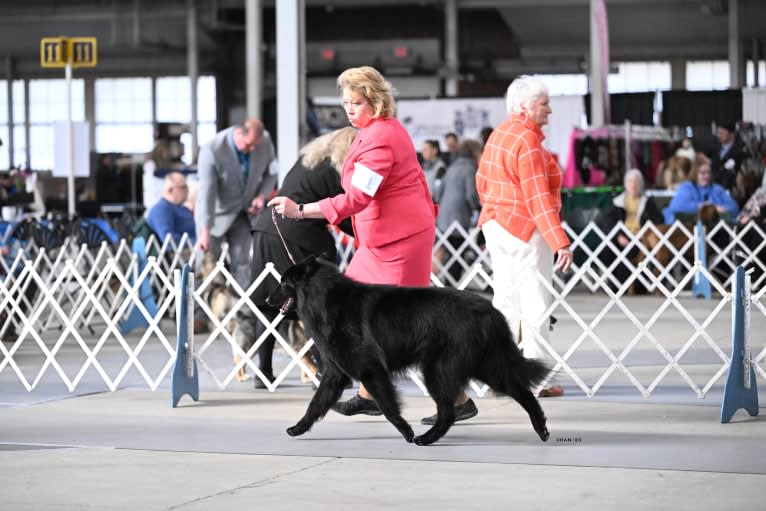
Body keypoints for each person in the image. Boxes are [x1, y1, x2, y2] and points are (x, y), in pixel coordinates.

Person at [269, 65, 479, 422]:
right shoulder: (373, 132)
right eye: (346, 102)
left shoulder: (382, 137)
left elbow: (357, 198)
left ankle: (457, 399)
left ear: (376, 101)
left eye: (357, 103)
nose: (349, 110)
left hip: (400, 243)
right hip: (380, 242)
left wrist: (301, 210)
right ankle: (369, 393)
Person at [476, 75, 572, 398]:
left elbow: (481, 182)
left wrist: (494, 212)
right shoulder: (528, 143)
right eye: (544, 103)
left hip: (495, 225)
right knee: (536, 304)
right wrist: (560, 241)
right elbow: (538, 199)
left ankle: (497, 375)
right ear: (524, 106)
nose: (549, 110)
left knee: (504, 301)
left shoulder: (498, 135)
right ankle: (536, 379)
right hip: (525, 229)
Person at [241, 126, 357, 389]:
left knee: (269, 301)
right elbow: (344, 212)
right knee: (319, 301)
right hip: (296, 233)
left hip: (264, 229)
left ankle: (264, 372)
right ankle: (325, 371)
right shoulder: (335, 169)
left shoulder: (309, 160)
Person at [195, 118, 278, 333]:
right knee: (204, 266)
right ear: (238, 134)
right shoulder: (212, 150)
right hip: (214, 215)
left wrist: (262, 196)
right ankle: (198, 317)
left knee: (243, 264)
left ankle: (242, 314)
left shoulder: (264, 142)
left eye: (255, 146)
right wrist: (205, 231)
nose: (252, 149)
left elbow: (272, 173)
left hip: (243, 213)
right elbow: (207, 194)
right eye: (248, 145)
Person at [594, 168, 664, 293]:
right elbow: (609, 222)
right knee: (607, 247)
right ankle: (613, 283)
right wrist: (618, 236)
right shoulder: (617, 202)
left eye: (636, 181)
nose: (633, 184)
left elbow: (658, 221)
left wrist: (645, 235)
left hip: (642, 237)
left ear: (641, 184)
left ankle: (633, 286)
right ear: (626, 184)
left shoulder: (648, 203)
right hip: (622, 236)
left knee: (632, 251)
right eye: (630, 181)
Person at [433, 139, 482, 286]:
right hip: (458, 217)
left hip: (443, 217)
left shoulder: (452, 166)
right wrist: (477, 207)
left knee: (447, 251)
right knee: (458, 251)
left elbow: (439, 191)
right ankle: (453, 284)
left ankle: (444, 282)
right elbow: (471, 194)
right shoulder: (470, 168)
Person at [663, 153, 739, 225]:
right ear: (695, 173)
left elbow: (734, 207)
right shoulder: (687, 187)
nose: (706, 176)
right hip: (689, 229)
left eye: (708, 173)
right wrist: (705, 207)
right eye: (703, 173)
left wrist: (716, 208)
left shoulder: (717, 189)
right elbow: (676, 206)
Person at [145, 171, 196, 246]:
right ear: (170, 190)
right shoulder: (161, 209)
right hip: (183, 253)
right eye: (183, 187)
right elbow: (169, 241)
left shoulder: (182, 207)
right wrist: (197, 242)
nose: (187, 190)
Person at [712, 122, 749, 194]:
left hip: (733, 189)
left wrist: (741, 173)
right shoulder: (715, 148)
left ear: (732, 134)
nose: (719, 135)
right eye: (718, 133)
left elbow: (746, 169)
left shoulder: (741, 149)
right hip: (715, 187)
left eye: (722, 133)